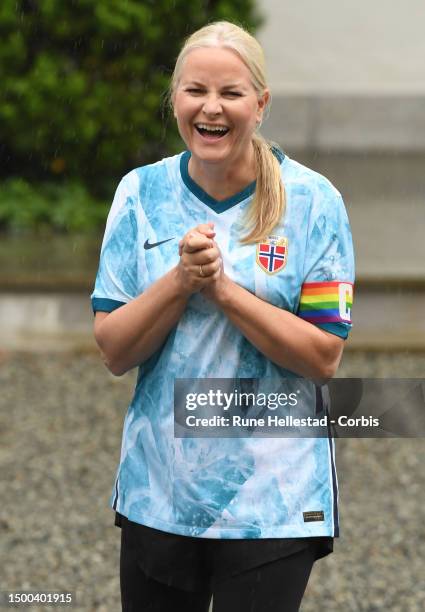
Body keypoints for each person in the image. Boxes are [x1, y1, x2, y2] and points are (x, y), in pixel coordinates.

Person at [91, 20, 354, 612]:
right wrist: (180, 282)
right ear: (176, 99)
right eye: (195, 91)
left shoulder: (314, 202)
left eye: (231, 93)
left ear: (260, 104)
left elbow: (323, 356)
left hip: (274, 501)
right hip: (159, 492)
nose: (211, 108)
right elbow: (113, 350)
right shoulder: (139, 194)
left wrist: (226, 294)